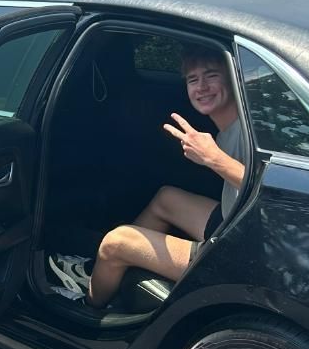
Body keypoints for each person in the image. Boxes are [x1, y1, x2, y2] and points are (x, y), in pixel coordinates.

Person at [50, 46, 247, 308]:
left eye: (211, 75)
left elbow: (270, 190)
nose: (201, 87)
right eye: (192, 79)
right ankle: (109, 270)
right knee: (167, 198)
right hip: (234, 221)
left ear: (233, 80)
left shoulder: (246, 135)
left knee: (115, 242)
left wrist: (213, 158)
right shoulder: (233, 127)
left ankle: (90, 304)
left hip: (238, 253)